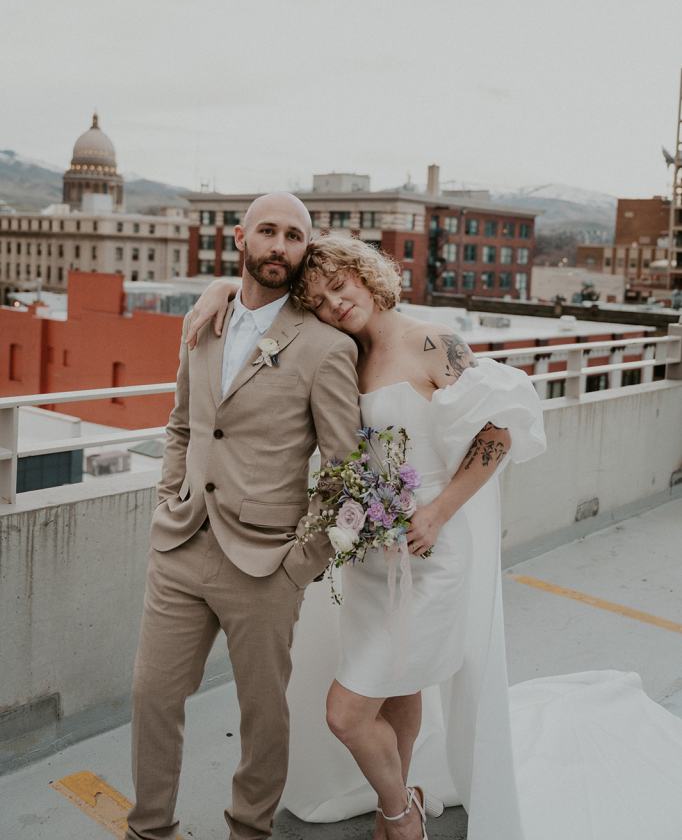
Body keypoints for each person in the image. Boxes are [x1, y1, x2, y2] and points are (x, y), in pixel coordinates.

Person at [193, 233, 682, 840]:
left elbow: (501, 428)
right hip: (372, 558)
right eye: (317, 300)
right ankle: (402, 793)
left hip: (432, 552)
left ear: (366, 277)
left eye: (339, 286)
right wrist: (221, 286)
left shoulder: (431, 342)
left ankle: (400, 816)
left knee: (346, 713)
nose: (333, 305)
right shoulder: (345, 353)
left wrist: (439, 513)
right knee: (398, 691)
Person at [125, 195, 361, 840]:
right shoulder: (203, 322)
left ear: (304, 249)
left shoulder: (326, 348)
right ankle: (150, 829)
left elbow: (346, 473)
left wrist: (299, 565)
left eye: (293, 235)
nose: (279, 244)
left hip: (265, 562)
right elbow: (181, 425)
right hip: (180, 545)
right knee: (152, 696)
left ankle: (248, 830)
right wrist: (167, 500)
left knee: (262, 714)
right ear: (241, 239)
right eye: (268, 231)